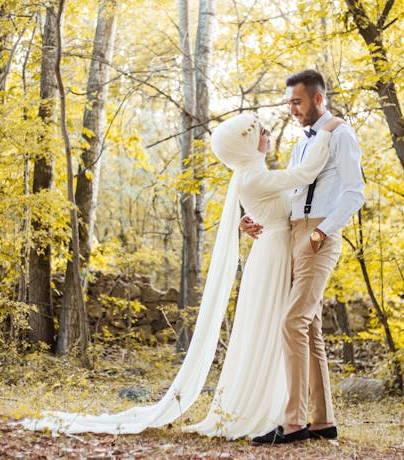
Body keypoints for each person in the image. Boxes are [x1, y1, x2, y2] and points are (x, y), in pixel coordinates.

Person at [19, 112, 344, 439]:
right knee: (272, 326)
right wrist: (326, 132)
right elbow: (305, 172)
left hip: (275, 249)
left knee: (280, 327)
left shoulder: (252, 174)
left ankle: (290, 410)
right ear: (247, 143)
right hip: (273, 254)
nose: (268, 132)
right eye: (260, 131)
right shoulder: (253, 176)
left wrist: (249, 218)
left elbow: (284, 200)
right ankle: (269, 410)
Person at [248, 69, 365, 445]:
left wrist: (321, 232)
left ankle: (294, 421)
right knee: (309, 327)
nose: (292, 109)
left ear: (317, 98)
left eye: (297, 102)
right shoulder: (302, 144)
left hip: (319, 235)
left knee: (292, 321)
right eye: (289, 103)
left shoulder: (342, 136)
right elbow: (293, 193)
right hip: (296, 231)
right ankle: (322, 421)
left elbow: (354, 193)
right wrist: (256, 219)